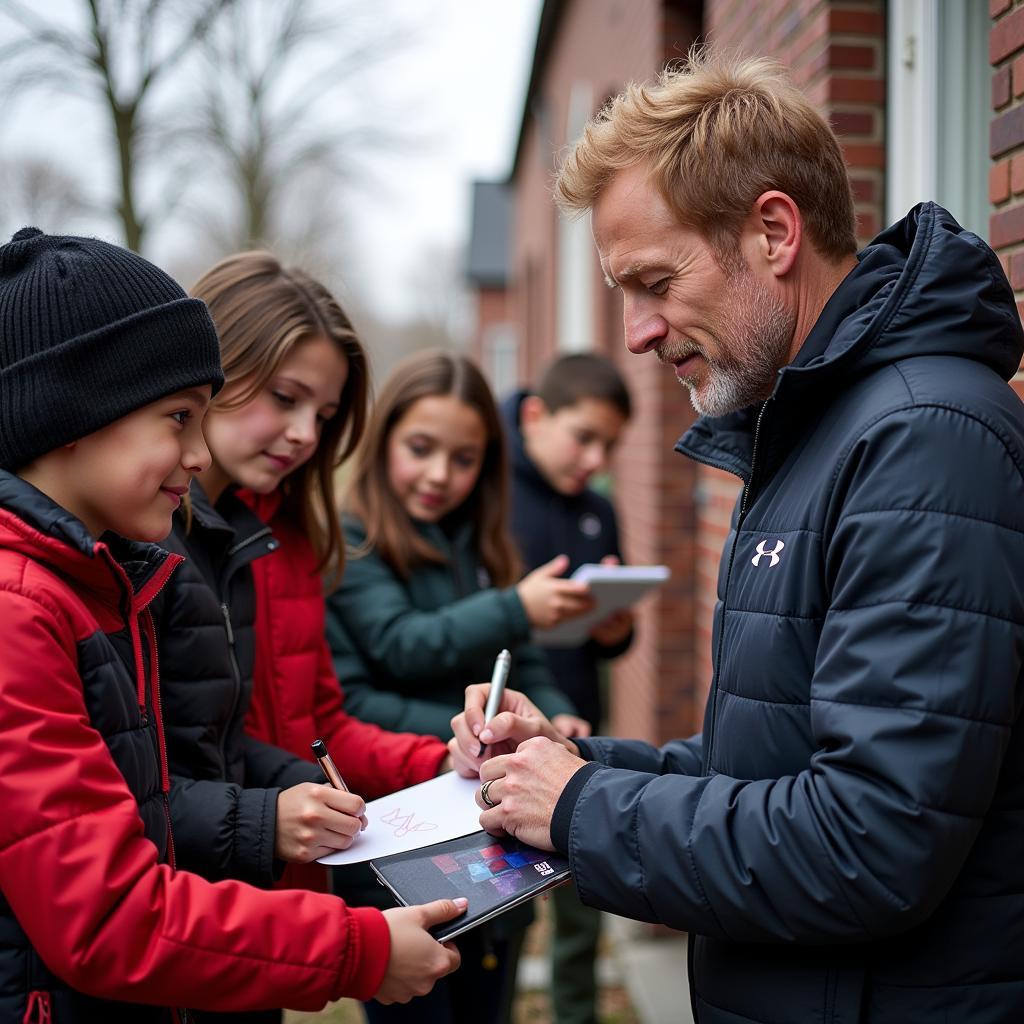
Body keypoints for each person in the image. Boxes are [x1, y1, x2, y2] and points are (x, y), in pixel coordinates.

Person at [448, 50, 1024, 1024]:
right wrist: (578, 765)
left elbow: (868, 840)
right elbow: (762, 770)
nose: (635, 332)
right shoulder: (812, 434)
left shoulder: (923, 444)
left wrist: (582, 812)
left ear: (771, 232)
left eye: (653, 282)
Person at [0, 227, 463, 1024]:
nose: (197, 452)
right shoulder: (52, 599)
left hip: (225, 945)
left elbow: (267, 736)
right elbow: (113, 898)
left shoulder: (124, 572)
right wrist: (347, 937)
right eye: (180, 417)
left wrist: (423, 766)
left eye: (324, 413)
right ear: (75, 411)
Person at [166, 252, 449, 910]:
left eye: (323, 416)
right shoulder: (140, 543)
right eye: (285, 398)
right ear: (213, 369)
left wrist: (437, 762)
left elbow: (318, 729)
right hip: (183, 908)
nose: (304, 436)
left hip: (273, 899)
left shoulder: (288, 540)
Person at [324, 349, 594, 1023]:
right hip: (394, 849)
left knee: (489, 999)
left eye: (465, 459)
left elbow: (523, 667)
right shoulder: (349, 544)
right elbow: (392, 654)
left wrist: (556, 720)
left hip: (490, 837)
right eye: (420, 448)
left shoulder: (481, 545)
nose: (440, 475)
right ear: (383, 439)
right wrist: (511, 616)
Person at [500, 352, 634, 1024]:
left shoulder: (600, 513)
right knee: (505, 909)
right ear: (534, 415)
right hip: (502, 738)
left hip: (579, 732)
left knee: (585, 903)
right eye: (585, 437)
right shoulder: (486, 493)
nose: (595, 458)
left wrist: (612, 625)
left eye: (609, 445)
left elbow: (613, 643)